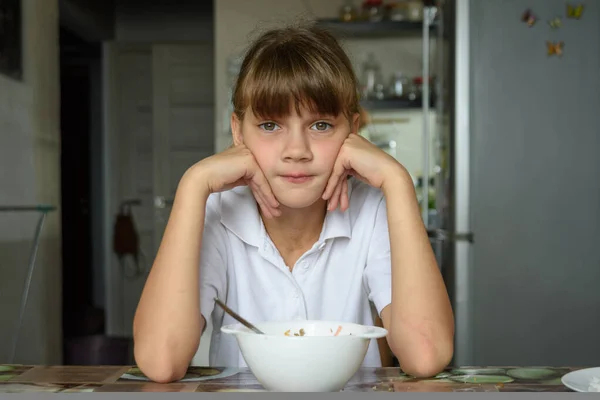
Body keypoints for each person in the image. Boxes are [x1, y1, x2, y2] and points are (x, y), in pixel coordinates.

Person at [132, 23, 454, 384]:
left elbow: (425, 355)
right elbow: (161, 362)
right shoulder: (217, 211)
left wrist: (398, 182)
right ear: (238, 132)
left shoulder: (374, 209)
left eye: (320, 125)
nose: (297, 151)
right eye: (270, 125)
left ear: (353, 130)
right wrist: (192, 185)